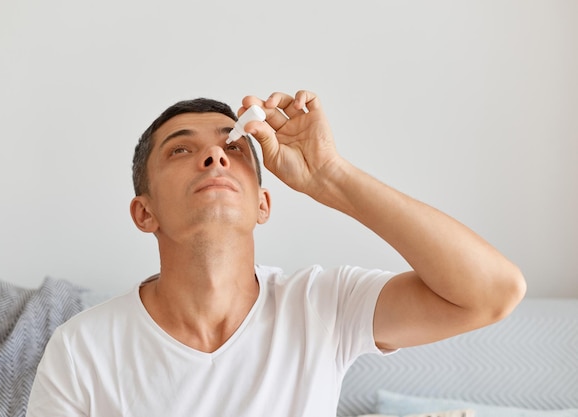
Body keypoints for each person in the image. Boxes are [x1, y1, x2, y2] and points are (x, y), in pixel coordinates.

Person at [26, 90, 526, 416]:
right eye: (181, 149)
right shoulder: (81, 350)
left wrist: (330, 176)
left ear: (263, 204)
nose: (214, 155)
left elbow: (494, 293)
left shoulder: (322, 305)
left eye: (236, 148)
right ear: (144, 213)